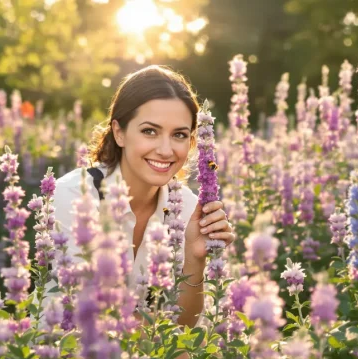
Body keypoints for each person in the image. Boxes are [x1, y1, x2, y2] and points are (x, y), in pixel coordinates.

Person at [50, 65, 235, 329]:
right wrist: (163, 329)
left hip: (149, 354)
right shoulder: (74, 197)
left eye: (179, 135)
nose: (165, 150)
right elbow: (84, 322)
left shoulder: (186, 208)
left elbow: (186, 329)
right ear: (119, 132)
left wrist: (195, 259)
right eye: (150, 131)